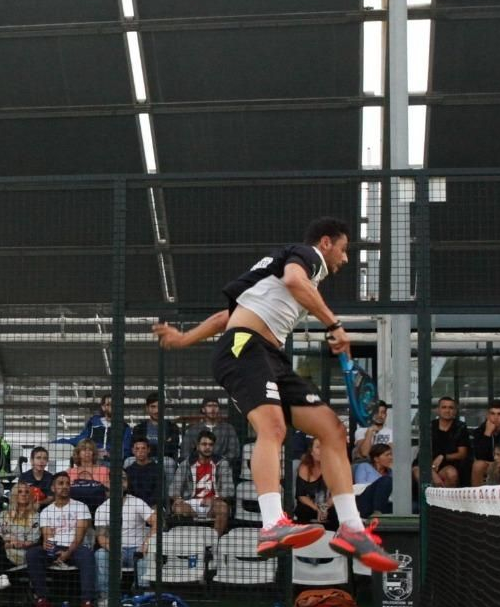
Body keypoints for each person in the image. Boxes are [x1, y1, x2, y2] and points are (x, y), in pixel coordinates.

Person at [151, 217, 395, 571]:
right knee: (274, 429)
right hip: (245, 347)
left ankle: (351, 529)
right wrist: (333, 324)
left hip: (269, 354)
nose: (344, 260)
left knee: (331, 429)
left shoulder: (268, 281)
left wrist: (182, 339)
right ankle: (272, 525)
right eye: (343, 250)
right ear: (325, 243)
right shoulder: (305, 257)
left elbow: (226, 315)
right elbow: (295, 281)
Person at [28, 473, 96, 607]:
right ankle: (42, 599)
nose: (64, 486)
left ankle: (87, 602)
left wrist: (68, 552)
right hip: (55, 547)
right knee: (33, 554)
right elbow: (47, 536)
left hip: (75, 547)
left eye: (67, 483)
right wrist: (50, 547)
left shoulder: (81, 507)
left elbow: (80, 535)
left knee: (87, 555)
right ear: (53, 488)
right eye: (60, 483)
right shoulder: (46, 511)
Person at [93, 473, 157, 607]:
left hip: (137, 550)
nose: (120, 482)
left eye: (123, 479)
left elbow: (157, 522)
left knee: (147, 557)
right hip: (116, 550)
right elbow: (101, 537)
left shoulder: (137, 502)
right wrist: (114, 549)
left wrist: (146, 544)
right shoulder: (102, 508)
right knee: (100, 554)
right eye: (116, 479)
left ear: (127, 483)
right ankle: (105, 598)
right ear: (108, 483)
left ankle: (142, 599)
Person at [170, 430, 233, 534]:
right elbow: (173, 488)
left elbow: (229, 490)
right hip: (190, 502)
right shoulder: (186, 464)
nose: (207, 447)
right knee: (179, 508)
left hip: (213, 503)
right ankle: (195, 538)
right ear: (197, 446)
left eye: (210, 445)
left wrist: (213, 499)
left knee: (223, 508)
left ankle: (214, 542)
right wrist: (178, 499)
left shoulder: (222, 464)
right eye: (204, 444)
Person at [292, 438, 337, 531]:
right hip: (310, 506)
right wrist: (317, 509)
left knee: (336, 511)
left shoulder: (332, 467)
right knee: (303, 510)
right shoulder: (304, 468)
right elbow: (301, 496)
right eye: (318, 447)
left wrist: (324, 508)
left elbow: (336, 493)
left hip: (326, 505)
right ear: (311, 451)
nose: (321, 451)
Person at [0, 482, 43, 568]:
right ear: (14, 495)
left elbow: (32, 540)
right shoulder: (3, 514)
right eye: (20, 492)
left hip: (19, 554)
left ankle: (0, 577)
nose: (24, 494)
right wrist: (10, 539)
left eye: (27, 492)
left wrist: (10, 544)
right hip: (0, 550)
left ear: (31, 496)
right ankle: (2, 577)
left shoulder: (36, 516)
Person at [66, 394, 124, 462]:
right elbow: (81, 439)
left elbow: (125, 451)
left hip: (114, 464)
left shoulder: (124, 427)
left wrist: (109, 455)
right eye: (108, 404)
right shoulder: (93, 423)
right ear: (103, 407)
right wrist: (95, 452)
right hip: (94, 461)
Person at [65, 439, 110, 511]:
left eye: (90, 449)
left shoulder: (104, 470)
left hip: (99, 509)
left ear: (93, 453)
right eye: (84, 449)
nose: (87, 452)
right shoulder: (69, 472)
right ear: (78, 453)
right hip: (74, 510)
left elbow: (108, 493)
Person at [123, 437, 164, 507]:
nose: (140, 451)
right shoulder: (128, 470)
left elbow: (159, 492)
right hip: (133, 507)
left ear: (148, 450)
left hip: (153, 506)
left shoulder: (158, 469)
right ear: (132, 451)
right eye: (137, 449)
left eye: (143, 448)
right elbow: (127, 492)